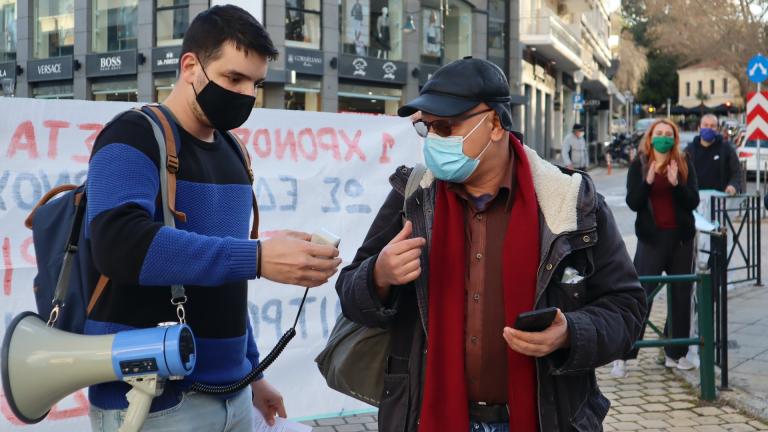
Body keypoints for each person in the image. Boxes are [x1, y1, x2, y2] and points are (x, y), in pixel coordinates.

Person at [335, 57, 646, 432]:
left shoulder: (570, 201)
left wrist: (570, 332)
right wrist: (379, 275)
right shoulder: (413, 196)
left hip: (544, 418)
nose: (434, 140)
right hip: (428, 417)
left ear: (495, 124)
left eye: (445, 127)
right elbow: (350, 291)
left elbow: (627, 309)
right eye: (427, 128)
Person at [85, 6, 341, 431]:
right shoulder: (132, 134)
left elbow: (226, 281)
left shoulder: (234, 151)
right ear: (190, 66)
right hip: (148, 402)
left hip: (234, 395)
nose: (246, 94)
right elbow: (118, 245)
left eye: (256, 83)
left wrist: (252, 375)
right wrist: (258, 257)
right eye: (233, 78)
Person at [614, 119, 700, 378]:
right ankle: (624, 354)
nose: (664, 137)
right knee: (641, 295)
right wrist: (648, 181)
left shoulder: (683, 162)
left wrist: (676, 184)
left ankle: (676, 354)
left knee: (681, 296)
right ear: (650, 137)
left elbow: (693, 201)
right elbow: (633, 202)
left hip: (681, 240)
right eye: (659, 133)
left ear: (675, 138)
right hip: (651, 241)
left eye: (668, 134)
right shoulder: (639, 164)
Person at [686, 114, 741, 195]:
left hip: (720, 199)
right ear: (699, 128)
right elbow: (683, 174)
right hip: (696, 199)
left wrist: (733, 186)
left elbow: (736, 173)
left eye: (712, 126)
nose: (709, 128)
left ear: (717, 129)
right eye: (705, 125)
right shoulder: (689, 150)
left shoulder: (726, 149)